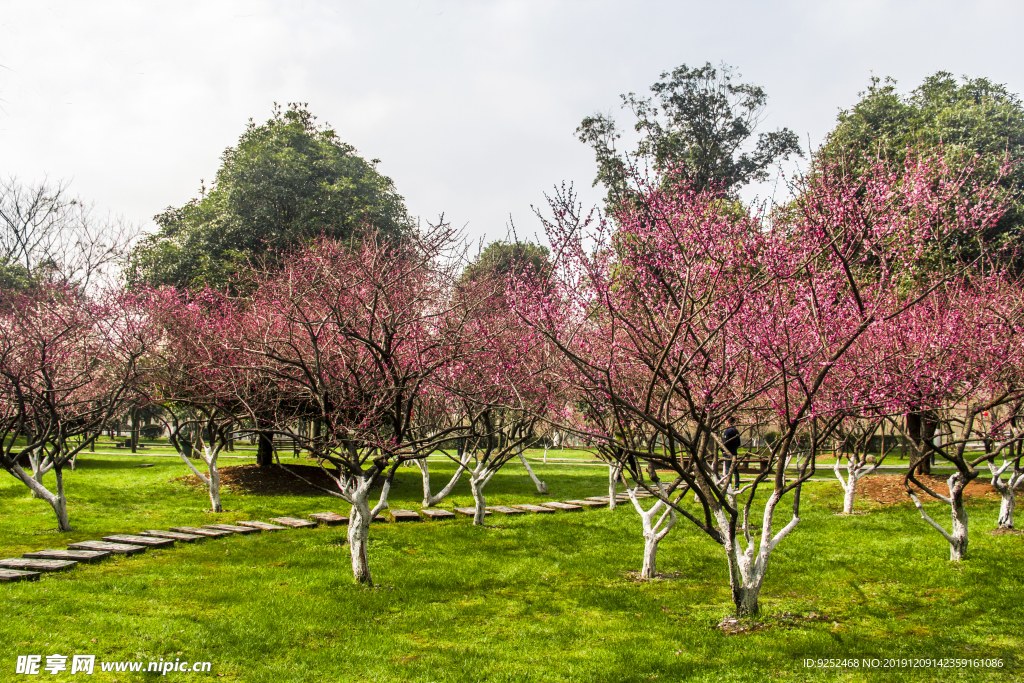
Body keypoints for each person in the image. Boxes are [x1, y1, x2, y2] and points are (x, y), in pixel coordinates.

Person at [722, 418, 741, 487]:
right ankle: (736, 485)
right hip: (734, 452)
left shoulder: (727, 432)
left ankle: (728, 485)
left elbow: (725, 443)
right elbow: (739, 443)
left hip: (727, 452)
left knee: (727, 470)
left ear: (728, 422)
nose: (725, 423)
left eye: (725, 422)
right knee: (735, 470)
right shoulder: (736, 431)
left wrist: (722, 449)